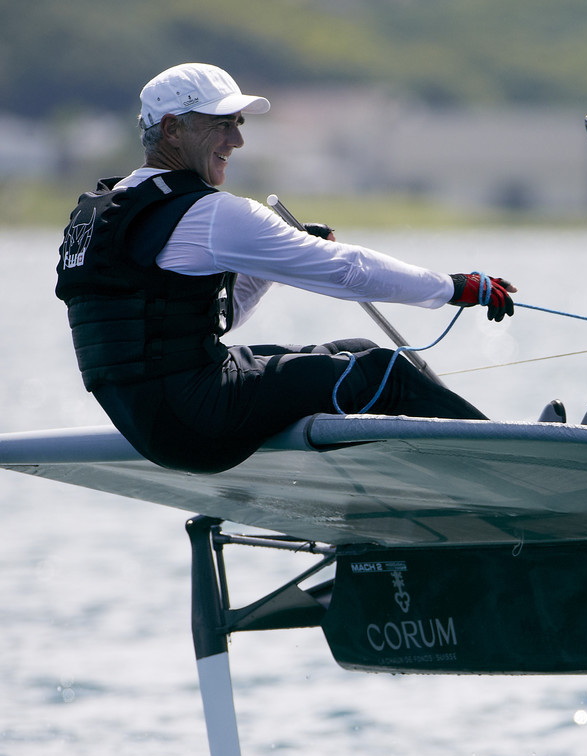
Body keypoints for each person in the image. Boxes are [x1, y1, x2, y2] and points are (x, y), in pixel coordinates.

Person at [55, 62, 517, 474]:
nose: (237, 140)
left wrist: (276, 256)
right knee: (382, 371)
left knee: (353, 349)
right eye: (221, 125)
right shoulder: (211, 213)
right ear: (173, 129)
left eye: (237, 124)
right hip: (194, 419)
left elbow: (219, 317)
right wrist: (453, 287)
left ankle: (440, 472)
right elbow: (346, 270)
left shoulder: (108, 209)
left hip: (154, 420)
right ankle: (510, 466)